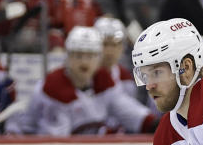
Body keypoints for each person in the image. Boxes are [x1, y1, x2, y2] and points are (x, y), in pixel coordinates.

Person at [10, 25, 154, 135]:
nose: (84, 62)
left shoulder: (103, 82)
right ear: (68, 58)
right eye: (78, 56)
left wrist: (154, 123)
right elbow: (55, 144)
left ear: (98, 58)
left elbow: (130, 112)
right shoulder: (54, 88)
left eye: (90, 56)